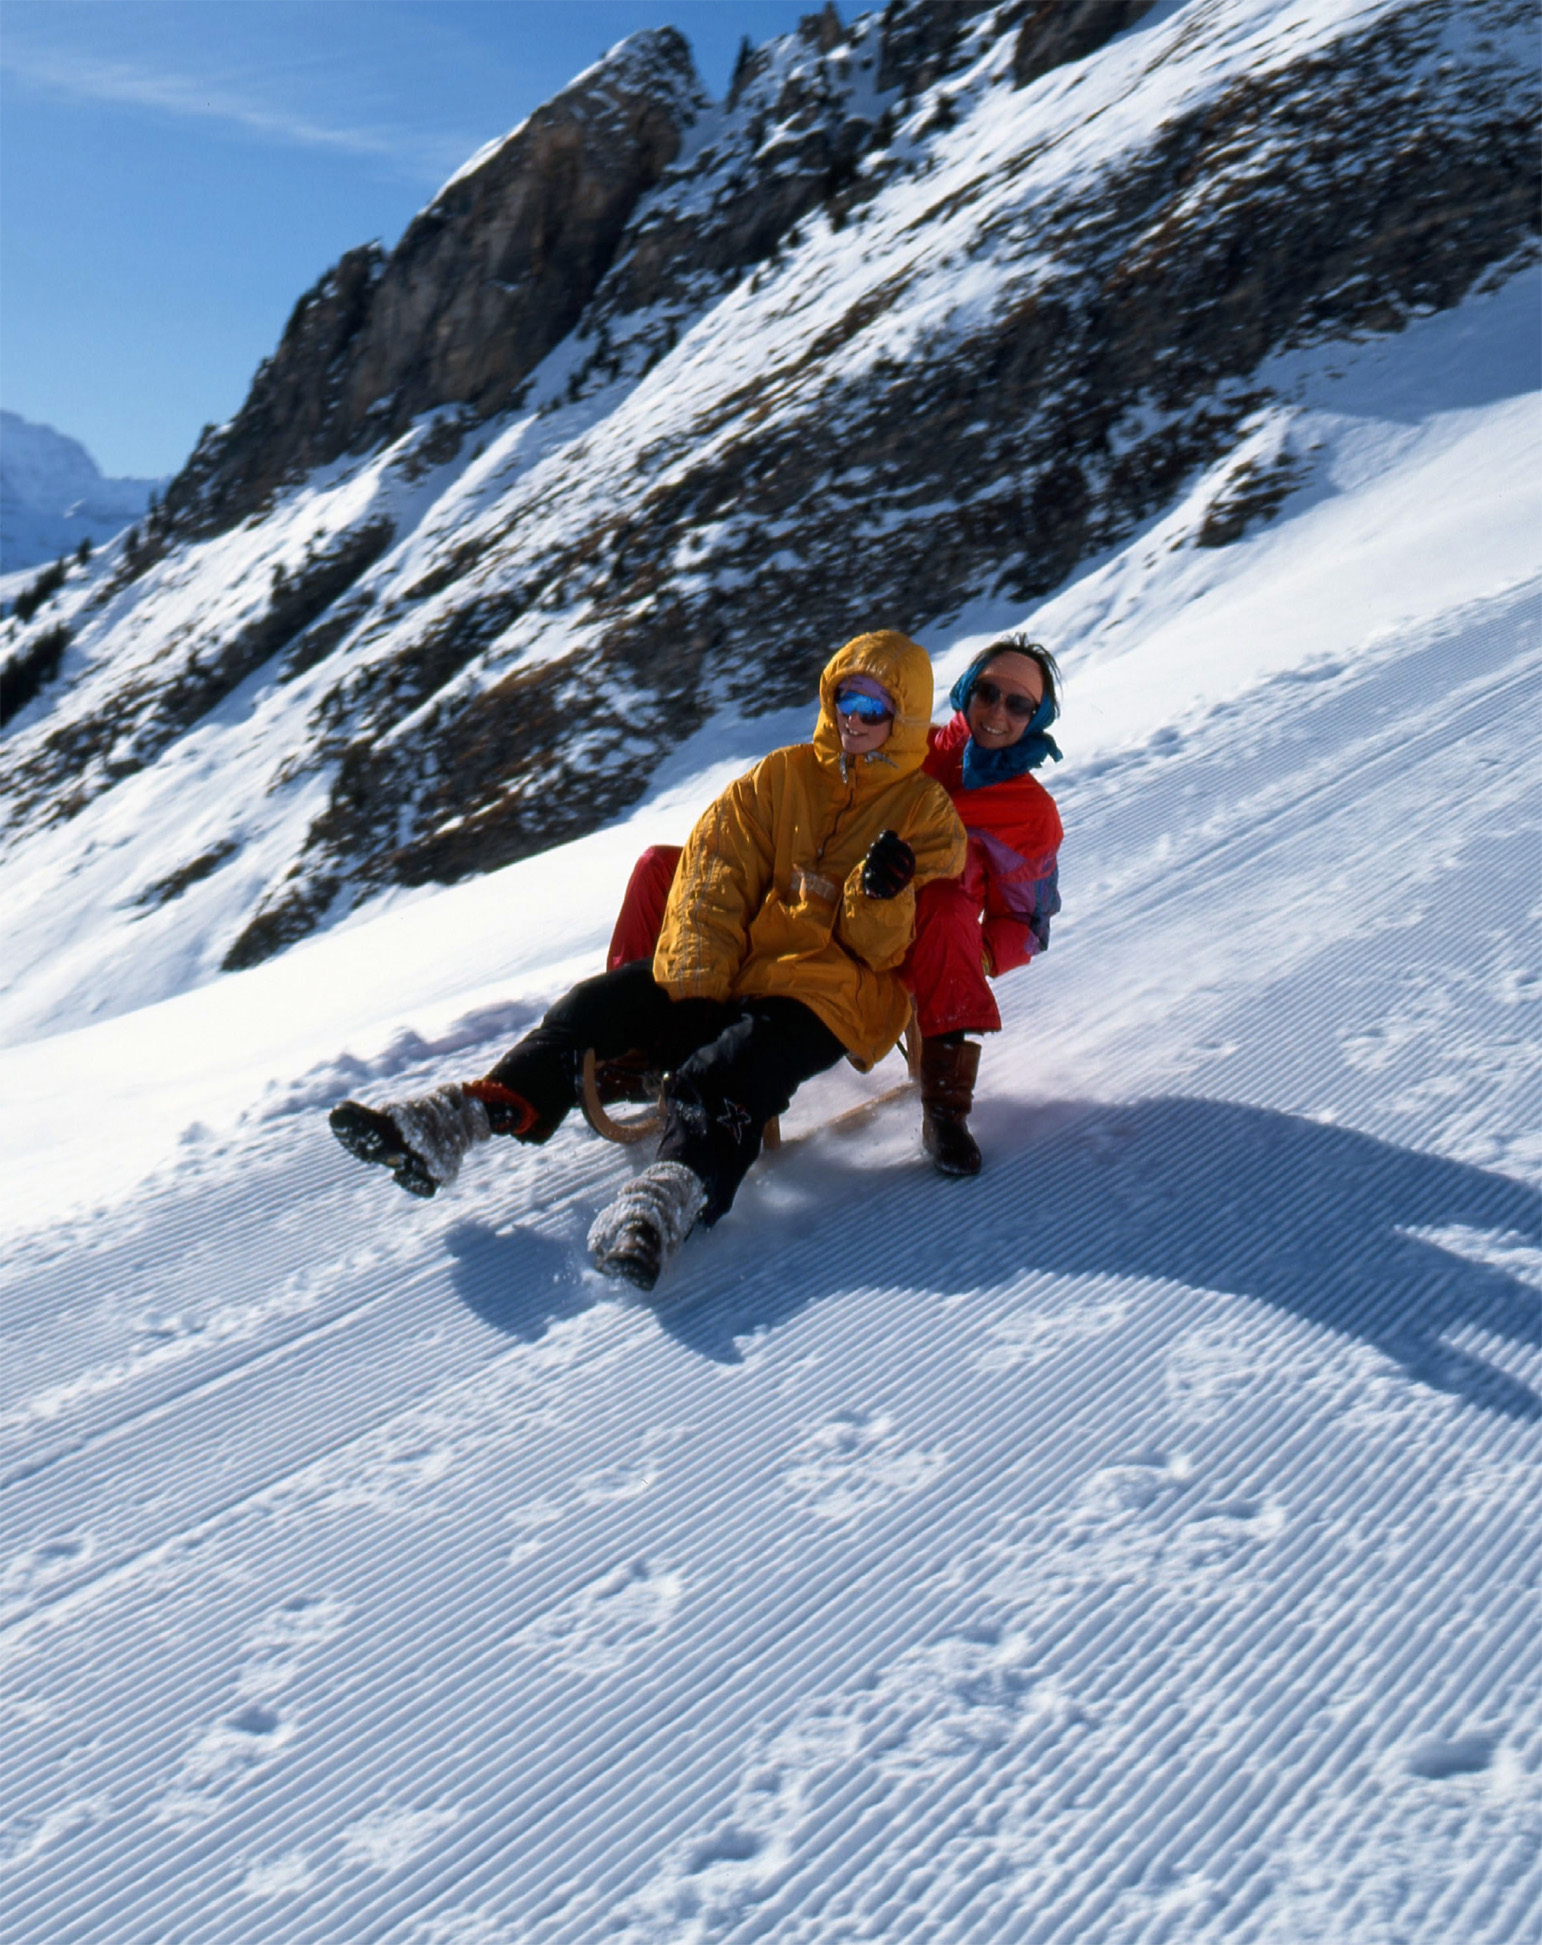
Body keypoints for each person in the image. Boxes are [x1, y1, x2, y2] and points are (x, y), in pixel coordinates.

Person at [328, 630, 966, 1290]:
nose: (855, 720)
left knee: (725, 1073)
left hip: (834, 994)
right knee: (596, 1006)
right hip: (741, 967)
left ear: (906, 719)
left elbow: (886, 948)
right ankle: (458, 1119)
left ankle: (665, 1203)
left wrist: (880, 891)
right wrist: (697, 973)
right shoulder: (782, 776)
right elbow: (714, 864)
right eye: (846, 700)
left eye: (875, 708)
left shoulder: (926, 812)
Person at [605, 633, 1065, 1178]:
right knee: (663, 867)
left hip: (910, 945)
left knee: (943, 902)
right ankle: (638, 1035)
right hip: (819, 902)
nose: (997, 713)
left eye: (1019, 705)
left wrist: (972, 956)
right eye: (989, 692)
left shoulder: (1031, 814)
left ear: (1036, 719)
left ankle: (944, 1110)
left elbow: (1028, 924)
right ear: (967, 690)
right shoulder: (913, 743)